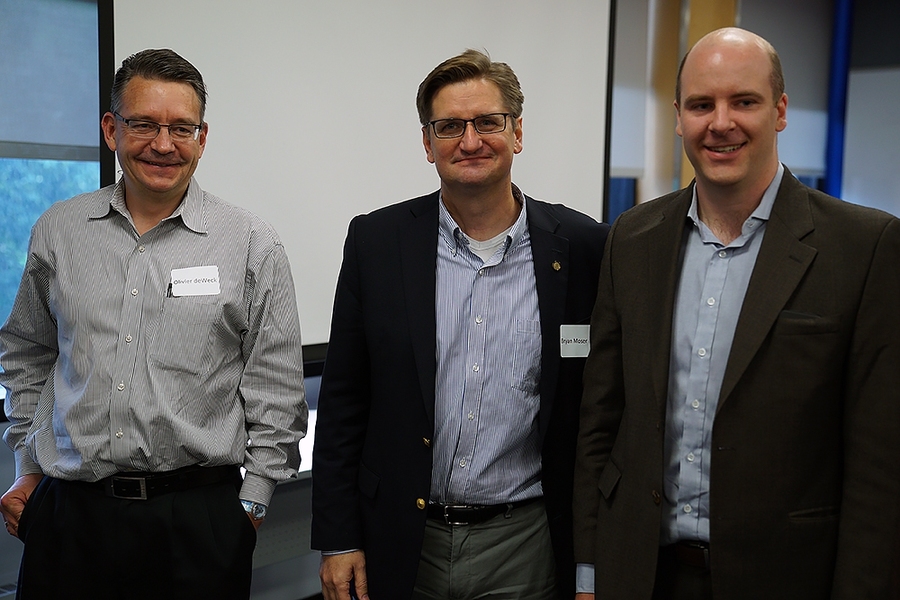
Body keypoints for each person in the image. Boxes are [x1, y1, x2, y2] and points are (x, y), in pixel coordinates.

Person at [572, 27, 900, 599]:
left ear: (780, 111)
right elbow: (601, 423)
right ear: (679, 117)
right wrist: (589, 573)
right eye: (701, 104)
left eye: (743, 101)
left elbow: (880, 466)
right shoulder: (633, 238)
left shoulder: (865, 247)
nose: (720, 123)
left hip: (786, 578)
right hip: (640, 573)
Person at [0, 48, 307, 599]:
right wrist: (28, 460)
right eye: (143, 124)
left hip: (199, 524)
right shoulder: (59, 231)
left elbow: (276, 390)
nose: (163, 144)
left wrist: (252, 503)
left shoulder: (250, 244)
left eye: (181, 128)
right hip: (71, 515)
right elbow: (27, 352)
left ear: (202, 137)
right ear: (111, 128)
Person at [311, 49, 608, 600]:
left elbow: (598, 412)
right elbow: (344, 402)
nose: (470, 141)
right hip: (401, 539)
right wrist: (337, 538)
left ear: (517, 133)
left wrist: (589, 560)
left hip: (527, 541)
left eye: (488, 123)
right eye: (449, 127)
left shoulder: (585, 246)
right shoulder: (377, 244)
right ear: (427, 144)